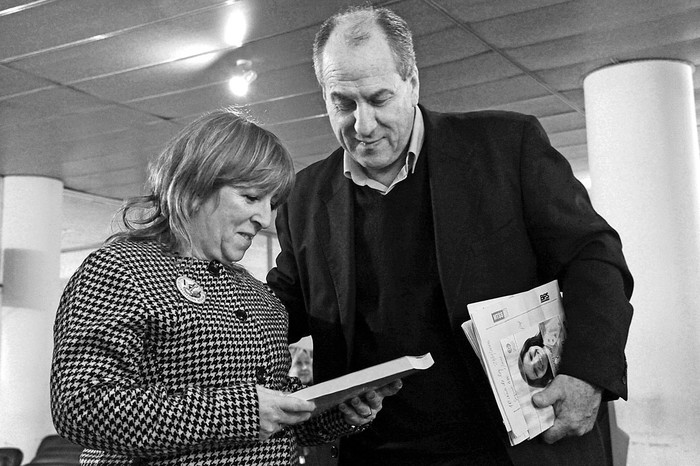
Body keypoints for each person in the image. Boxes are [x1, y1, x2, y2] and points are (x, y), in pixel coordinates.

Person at [266, 5, 633, 466]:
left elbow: (594, 257)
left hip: (513, 446)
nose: (362, 125)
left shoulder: (505, 146)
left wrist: (587, 375)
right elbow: (281, 307)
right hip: (377, 449)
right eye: (343, 103)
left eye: (379, 99)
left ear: (413, 82)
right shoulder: (304, 196)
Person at [51, 107, 400, 465]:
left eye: (272, 203)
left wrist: (338, 410)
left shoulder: (257, 295)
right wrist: (242, 413)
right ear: (196, 186)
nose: (265, 218)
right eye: (251, 197)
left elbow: (273, 414)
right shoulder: (121, 269)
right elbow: (81, 405)